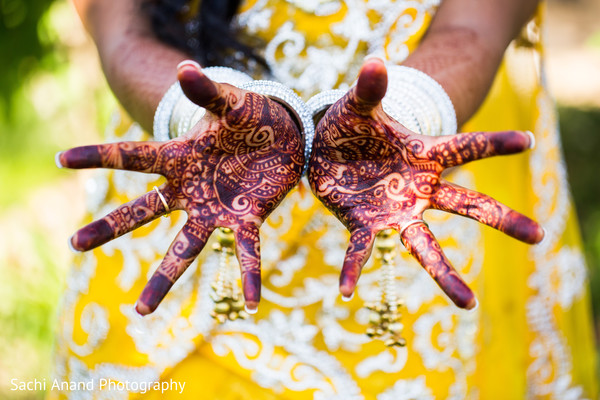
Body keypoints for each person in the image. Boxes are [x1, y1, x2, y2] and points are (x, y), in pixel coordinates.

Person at [50, 0, 598, 398]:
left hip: (402, 209)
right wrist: (192, 112)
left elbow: (480, 20)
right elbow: (116, 23)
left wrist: (403, 115)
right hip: (193, 187)